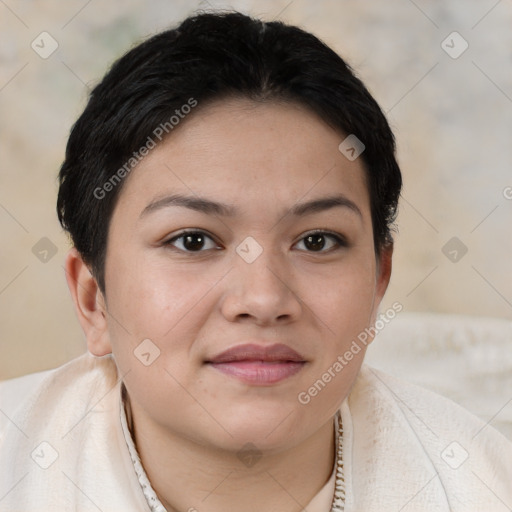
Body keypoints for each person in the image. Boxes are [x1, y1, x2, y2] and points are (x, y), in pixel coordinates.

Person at [0, 10, 510, 512]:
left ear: (379, 281)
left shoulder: (486, 487)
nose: (264, 300)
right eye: (193, 241)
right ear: (93, 300)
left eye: (316, 241)